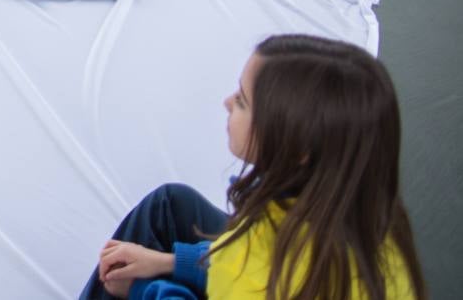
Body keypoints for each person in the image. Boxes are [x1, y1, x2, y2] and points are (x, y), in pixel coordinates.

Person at [80, 34, 423, 299]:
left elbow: (249, 269)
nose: (227, 103)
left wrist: (141, 288)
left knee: (141, 251)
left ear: (297, 145)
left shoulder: (247, 269)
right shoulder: (371, 216)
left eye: (242, 101)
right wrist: (172, 263)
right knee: (171, 204)